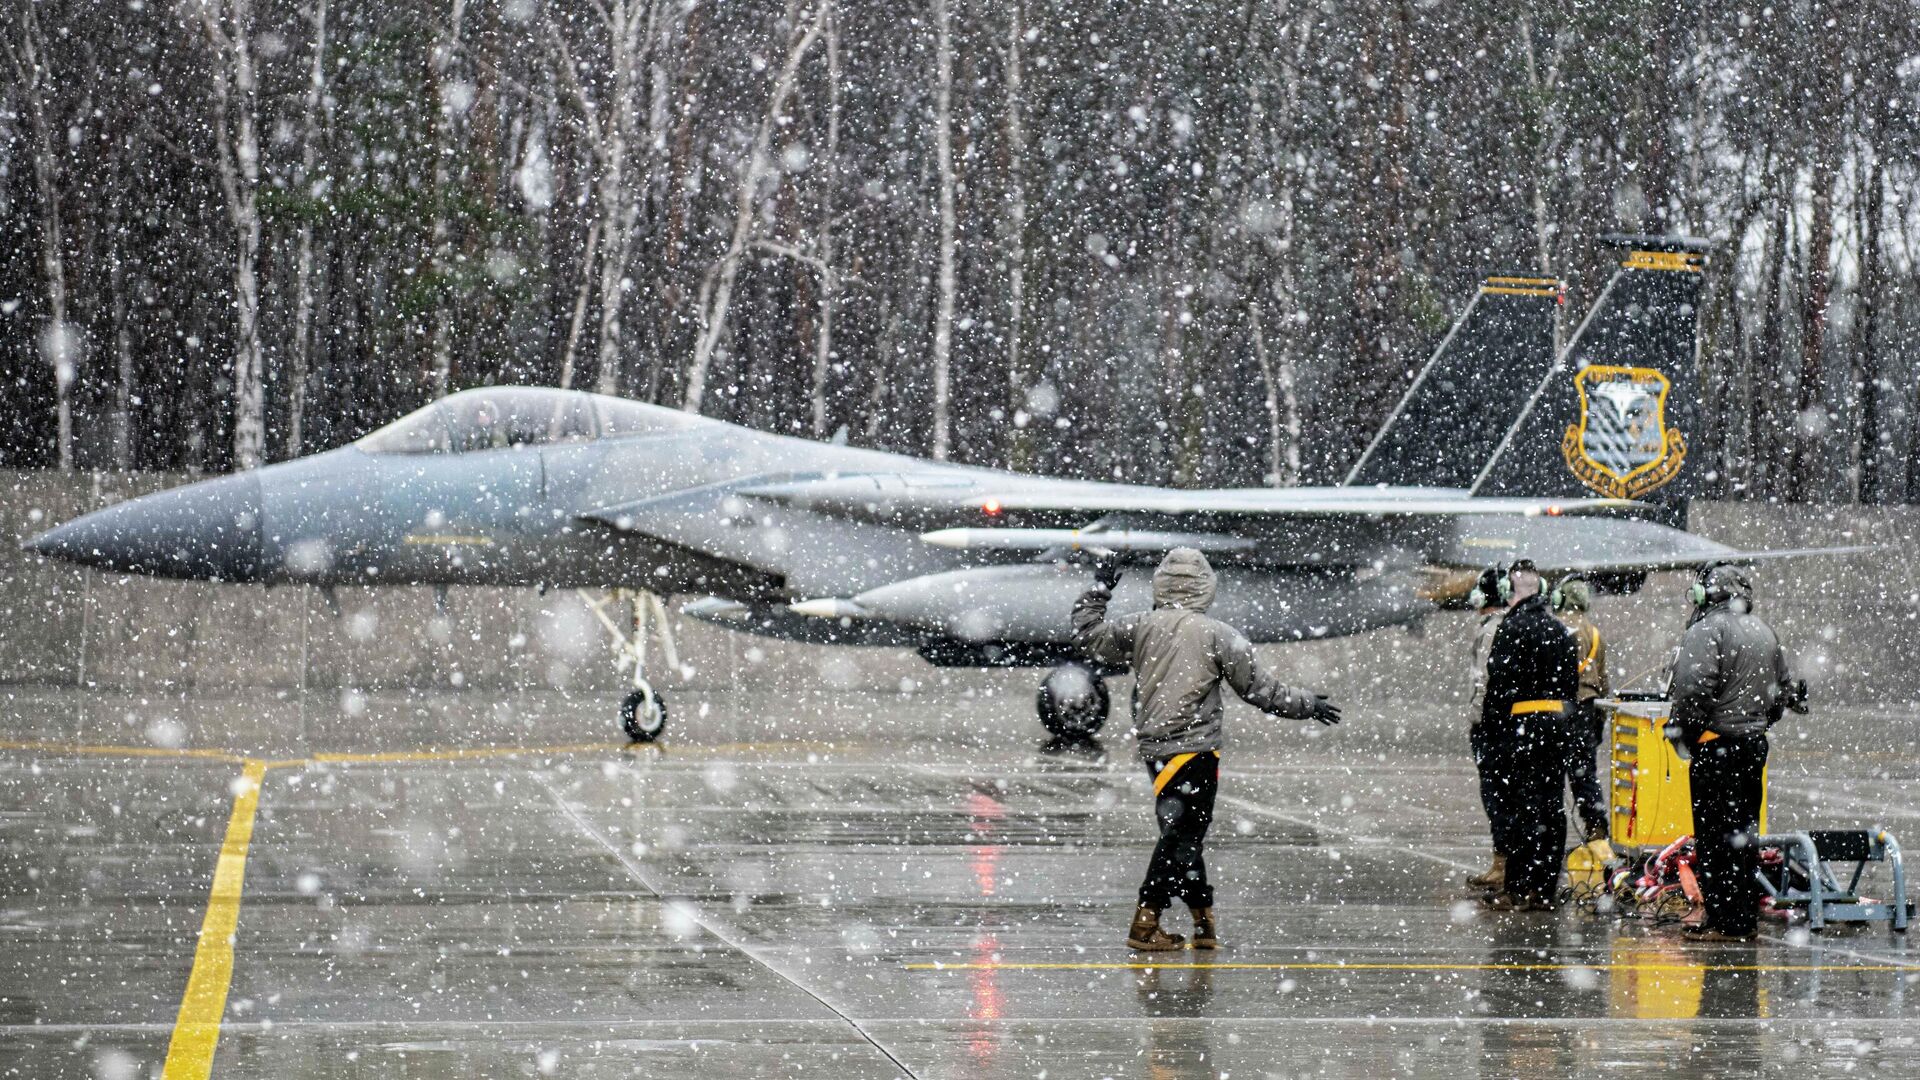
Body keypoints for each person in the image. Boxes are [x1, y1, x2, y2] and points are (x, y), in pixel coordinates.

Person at [1073, 547, 1341, 951]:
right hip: (1196, 749)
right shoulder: (1219, 634)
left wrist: (1099, 589)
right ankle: (1145, 923)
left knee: (1180, 833)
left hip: (1156, 749)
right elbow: (1259, 690)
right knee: (1183, 837)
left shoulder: (1141, 626)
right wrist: (1307, 705)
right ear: (1206, 588)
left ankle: (1203, 923)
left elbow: (1088, 635)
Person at [1668, 564, 1790, 942]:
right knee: (1742, 836)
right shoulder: (1765, 631)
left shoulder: (1705, 630)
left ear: (1707, 594)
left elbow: (1692, 691)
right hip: (1752, 746)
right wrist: (1755, 726)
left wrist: (1682, 736)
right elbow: (1780, 694)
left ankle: (1724, 922)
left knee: (1714, 839)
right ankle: (1742, 921)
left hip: (1715, 745)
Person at [1478, 558, 1580, 911]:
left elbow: (1498, 685)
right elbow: (1571, 687)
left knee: (1521, 808)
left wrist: (1493, 733)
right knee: (1551, 809)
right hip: (1556, 727)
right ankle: (1543, 889)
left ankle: (1517, 888)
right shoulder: (1560, 630)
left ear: (1509, 592)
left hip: (1521, 727)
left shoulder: (1510, 628)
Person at [1551, 574, 1611, 845]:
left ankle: (1550, 833)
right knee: (1584, 771)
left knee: (1551, 774)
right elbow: (1603, 681)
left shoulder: (1555, 627)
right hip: (1588, 708)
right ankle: (1596, 825)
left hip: (1560, 708)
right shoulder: (1594, 632)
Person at [1465, 566, 1514, 891]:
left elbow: (1483, 679)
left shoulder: (1490, 630)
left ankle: (1502, 863)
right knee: (1504, 795)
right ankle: (1507, 861)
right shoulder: (1505, 625)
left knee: (1496, 794)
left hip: (1491, 725)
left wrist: (1479, 720)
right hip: (1506, 724)